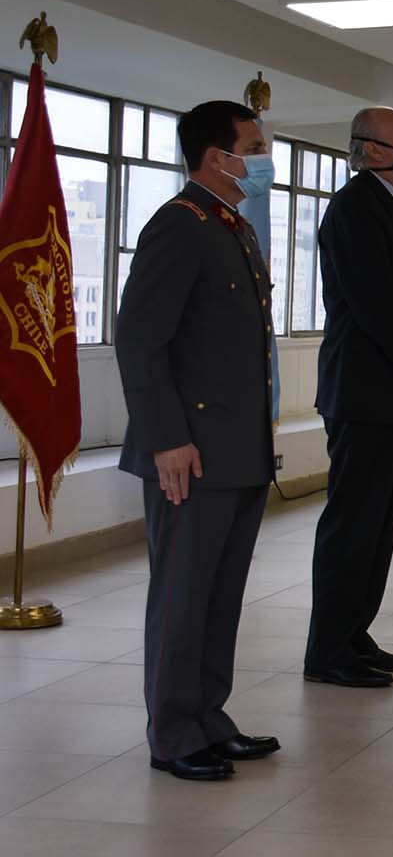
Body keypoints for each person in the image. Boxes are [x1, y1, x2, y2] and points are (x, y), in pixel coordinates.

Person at [114, 100, 282, 781]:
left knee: (220, 596)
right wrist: (166, 441)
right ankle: (173, 732)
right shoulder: (179, 225)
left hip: (237, 449)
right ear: (217, 157)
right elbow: (140, 340)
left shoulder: (232, 227)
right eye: (254, 147)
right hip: (190, 453)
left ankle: (209, 717)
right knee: (183, 597)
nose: (264, 160)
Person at [304, 106, 393, 688]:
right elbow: (373, 302)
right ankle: (328, 651)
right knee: (354, 523)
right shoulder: (354, 208)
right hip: (363, 388)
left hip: (389, 389)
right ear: (376, 150)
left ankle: (354, 634)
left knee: (379, 524)